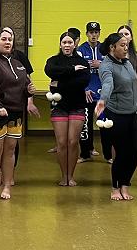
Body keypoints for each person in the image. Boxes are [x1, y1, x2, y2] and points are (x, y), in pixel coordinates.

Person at [0, 28, 39, 200]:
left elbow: (23, 86)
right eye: (4, 39)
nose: (7, 42)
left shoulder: (18, 63)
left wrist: (28, 91)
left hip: (14, 113)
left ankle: (6, 186)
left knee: (10, 151)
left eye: (10, 39)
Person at [95, 33, 137, 201]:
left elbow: (134, 90)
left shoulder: (127, 63)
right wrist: (103, 101)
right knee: (121, 154)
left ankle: (125, 185)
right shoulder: (106, 66)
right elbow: (108, 84)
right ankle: (115, 187)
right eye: (122, 45)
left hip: (131, 115)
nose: (126, 48)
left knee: (134, 152)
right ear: (112, 47)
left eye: (127, 45)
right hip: (116, 115)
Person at [44, 32, 91, 186]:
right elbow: (50, 71)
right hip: (59, 107)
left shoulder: (82, 62)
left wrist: (60, 83)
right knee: (62, 142)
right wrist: (72, 70)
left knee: (73, 142)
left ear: (74, 44)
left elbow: (83, 81)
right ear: (60, 44)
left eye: (70, 42)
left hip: (77, 106)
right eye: (64, 42)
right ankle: (64, 176)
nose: (67, 45)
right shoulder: (53, 60)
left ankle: (71, 176)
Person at [77, 22, 103, 162]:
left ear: (99, 33)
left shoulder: (104, 49)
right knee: (86, 124)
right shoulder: (81, 50)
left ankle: (108, 155)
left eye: (96, 32)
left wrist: (101, 64)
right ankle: (86, 153)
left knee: (104, 123)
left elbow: (111, 67)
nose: (94, 35)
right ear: (87, 34)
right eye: (91, 32)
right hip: (86, 93)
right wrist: (85, 88)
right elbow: (78, 73)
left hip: (102, 93)